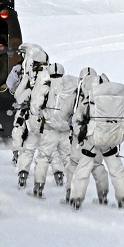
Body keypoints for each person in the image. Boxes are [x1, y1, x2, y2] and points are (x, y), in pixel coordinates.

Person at [69, 70, 124, 210]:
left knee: (83, 168)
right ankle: (123, 198)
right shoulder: (115, 100)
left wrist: (80, 133)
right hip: (111, 139)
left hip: (93, 139)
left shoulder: (90, 99)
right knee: (116, 169)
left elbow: (77, 119)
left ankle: (76, 198)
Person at [31, 62, 77, 198]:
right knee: (69, 159)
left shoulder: (45, 84)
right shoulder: (71, 84)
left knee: (43, 157)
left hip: (49, 129)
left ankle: (38, 186)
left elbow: (35, 108)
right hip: (66, 130)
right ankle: (71, 190)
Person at [13, 45, 51, 189]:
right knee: (45, 153)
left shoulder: (29, 76)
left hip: (33, 119)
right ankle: (41, 183)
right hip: (48, 121)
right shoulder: (50, 76)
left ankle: (23, 173)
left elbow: (18, 95)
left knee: (28, 148)